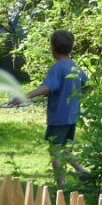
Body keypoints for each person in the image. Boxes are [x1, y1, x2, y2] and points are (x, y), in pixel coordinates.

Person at [12, 30, 90, 187]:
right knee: (63, 148)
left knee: (55, 151)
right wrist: (76, 95)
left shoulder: (58, 68)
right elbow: (88, 86)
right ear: (71, 48)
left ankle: (61, 186)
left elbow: (46, 87)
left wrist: (23, 97)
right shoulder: (74, 66)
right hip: (72, 116)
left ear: (53, 48)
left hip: (59, 118)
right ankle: (82, 172)